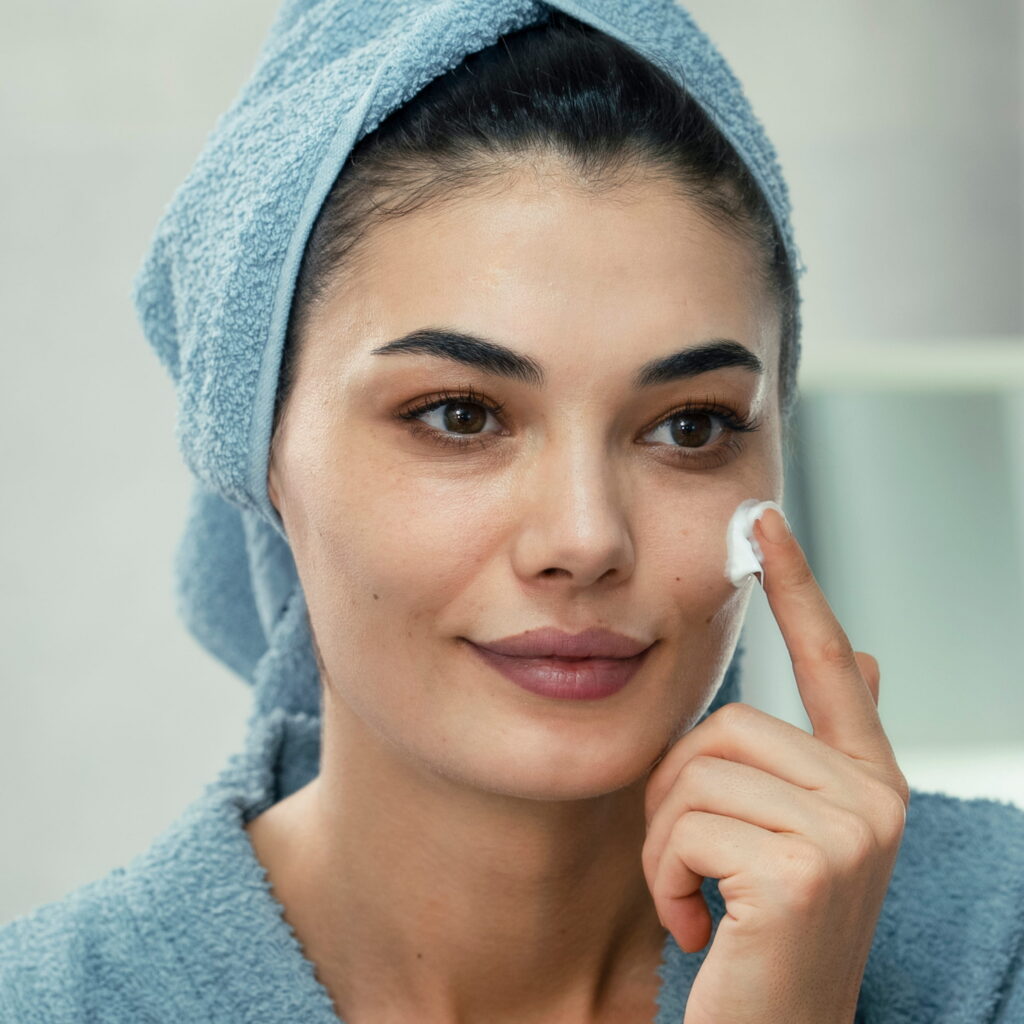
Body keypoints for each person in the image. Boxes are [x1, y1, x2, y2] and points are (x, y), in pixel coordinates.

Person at [3, 3, 1023, 1022]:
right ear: (259, 450)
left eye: (690, 426)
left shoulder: (992, 951)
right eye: (460, 414)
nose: (584, 538)